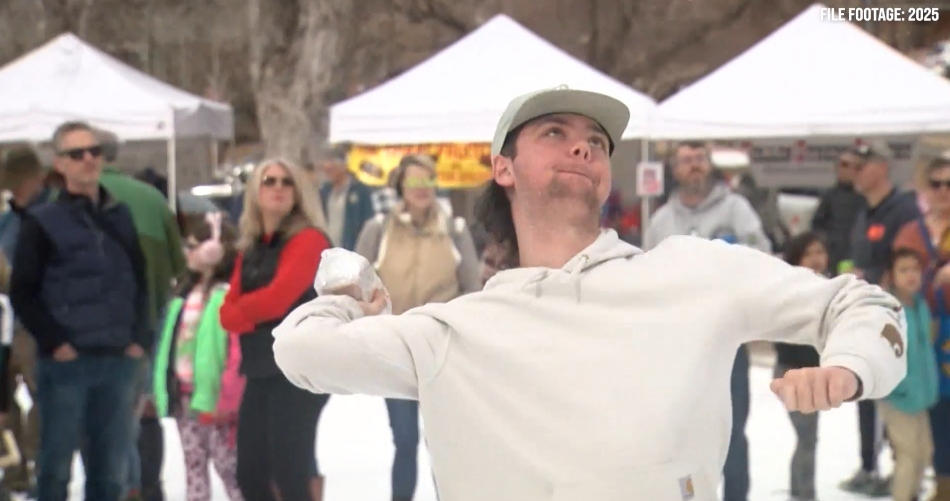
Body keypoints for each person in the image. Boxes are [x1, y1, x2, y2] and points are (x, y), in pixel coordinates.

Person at [269, 86, 908, 501]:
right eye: (554, 132)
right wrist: (351, 297)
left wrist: (850, 369)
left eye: (596, 142)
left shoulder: (692, 273)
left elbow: (865, 306)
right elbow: (300, 351)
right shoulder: (453, 332)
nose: (583, 144)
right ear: (503, 167)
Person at [10, 121, 149, 501]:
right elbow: (22, 292)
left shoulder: (120, 216)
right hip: (67, 364)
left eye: (94, 151)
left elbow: (140, 280)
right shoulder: (42, 222)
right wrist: (56, 343)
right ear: (60, 164)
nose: (88, 160)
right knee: (54, 470)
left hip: (118, 360)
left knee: (109, 472)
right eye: (77, 154)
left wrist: (139, 338)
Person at [642, 140, 770, 501]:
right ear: (675, 169)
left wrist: (732, 253)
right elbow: (646, 279)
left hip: (728, 343)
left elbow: (762, 252)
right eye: (686, 160)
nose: (694, 166)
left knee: (731, 434)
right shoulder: (662, 220)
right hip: (679, 349)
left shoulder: (736, 208)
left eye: (700, 159)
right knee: (683, 436)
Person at [353, 153, 480, 501]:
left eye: (428, 181)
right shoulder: (378, 229)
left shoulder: (454, 230)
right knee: (405, 439)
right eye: (414, 182)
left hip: (443, 352)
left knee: (444, 441)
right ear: (401, 187)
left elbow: (473, 287)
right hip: (395, 350)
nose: (422, 189)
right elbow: (357, 285)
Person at [218, 158, 332, 501]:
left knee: (289, 471)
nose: (278, 188)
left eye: (287, 182)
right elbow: (225, 314)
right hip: (260, 367)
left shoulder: (309, 239)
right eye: (269, 181)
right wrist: (246, 312)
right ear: (255, 191)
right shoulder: (251, 245)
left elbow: (277, 300)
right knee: (249, 473)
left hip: (299, 368)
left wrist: (244, 312)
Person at [97, 128, 186, 501]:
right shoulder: (151, 197)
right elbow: (179, 265)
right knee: (144, 403)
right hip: (150, 317)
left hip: (93, 326)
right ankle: (150, 487)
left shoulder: (66, 198)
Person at [843, 140, 921, 496]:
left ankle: (899, 468)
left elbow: (907, 262)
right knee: (865, 392)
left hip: (897, 321)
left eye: (862, 165)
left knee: (893, 397)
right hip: (866, 317)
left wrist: (871, 275)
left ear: (882, 167)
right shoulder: (864, 212)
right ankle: (869, 465)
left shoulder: (902, 210)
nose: (855, 173)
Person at [153, 212, 244, 501]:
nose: (187, 252)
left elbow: (235, 353)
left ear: (214, 250)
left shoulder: (228, 296)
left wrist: (228, 398)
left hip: (217, 401)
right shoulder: (183, 293)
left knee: (229, 469)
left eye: (192, 245)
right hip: (186, 398)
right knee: (193, 466)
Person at [892, 155, 950, 501]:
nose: (944, 190)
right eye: (937, 183)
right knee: (921, 422)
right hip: (917, 338)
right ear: (926, 189)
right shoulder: (911, 232)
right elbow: (897, 281)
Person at [0, 146, 54, 497]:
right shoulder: (8, 219)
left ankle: (34, 461)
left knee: (43, 396)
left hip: (36, 324)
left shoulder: (51, 215)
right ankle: (14, 465)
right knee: (6, 403)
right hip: (6, 324)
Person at [878, 247, 939, 501]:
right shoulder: (888, 310)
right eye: (903, 270)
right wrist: (894, 388)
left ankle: (911, 495)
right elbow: (881, 354)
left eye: (915, 269)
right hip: (897, 397)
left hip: (921, 395)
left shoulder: (921, 306)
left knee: (925, 452)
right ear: (891, 275)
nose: (911, 275)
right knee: (908, 455)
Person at [774, 232, 829, 501]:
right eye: (809, 254)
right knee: (807, 439)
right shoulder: (790, 293)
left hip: (812, 373)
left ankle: (801, 493)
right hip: (793, 372)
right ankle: (805, 495)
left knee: (808, 439)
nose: (817, 259)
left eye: (820, 252)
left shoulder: (829, 288)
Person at [810, 152, 864, 275]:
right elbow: (817, 225)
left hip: (860, 256)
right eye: (840, 165)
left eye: (846, 165)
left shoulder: (866, 196)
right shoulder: (830, 196)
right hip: (834, 256)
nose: (841, 169)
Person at [317, 146, 375, 251]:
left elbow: (368, 226)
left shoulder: (360, 191)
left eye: (332, 168)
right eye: (325, 169)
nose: (328, 172)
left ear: (343, 165)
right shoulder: (323, 193)